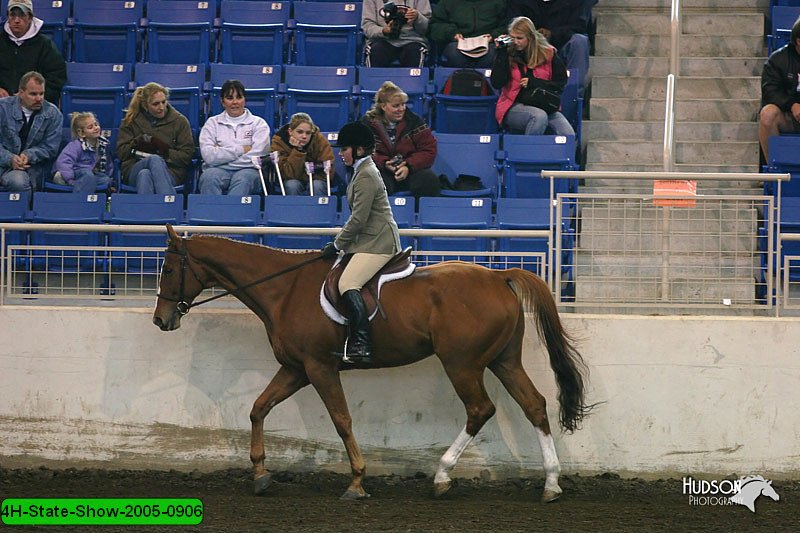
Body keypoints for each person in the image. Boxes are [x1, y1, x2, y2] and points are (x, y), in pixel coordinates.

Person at [319, 121, 401, 365]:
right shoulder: (361, 171)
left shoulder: (366, 175)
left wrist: (337, 244)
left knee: (348, 283)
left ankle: (362, 344)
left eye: (344, 148)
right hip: (368, 240)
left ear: (360, 150)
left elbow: (358, 219)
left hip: (379, 243)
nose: (340, 152)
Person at [490, 16, 574, 136]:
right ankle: (528, 154)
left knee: (568, 135)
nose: (515, 42)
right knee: (538, 117)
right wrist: (501, 54)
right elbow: (497, 83)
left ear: (530, 38)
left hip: (543, 103)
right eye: (512, 38)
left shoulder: (548, 53)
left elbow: (560, 84)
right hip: (513, 106)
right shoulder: (506, 53)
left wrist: (536, 83)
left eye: (520, 38)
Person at [360, 81, 439, 198]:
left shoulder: (415, 121)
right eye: (396, 106)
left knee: (429, 181)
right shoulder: (367, 124)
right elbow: (361, 151)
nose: (401, 109)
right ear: (383, 106)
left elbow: (428, 150)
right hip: (381, 168)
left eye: (403, 104)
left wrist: (408, 166)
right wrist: (384, 163)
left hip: (410, 169)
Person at [116, 82, 195, 194]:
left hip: (170, 171)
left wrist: (164, 151)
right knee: (154, 160)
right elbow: (121, 153)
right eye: (155, 104)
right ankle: (169, 206)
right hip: (134, 166)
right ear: (145, 105)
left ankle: (148, 211)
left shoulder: (180, 121)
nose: (161, 107)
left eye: (164, 102)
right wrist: (137, 142)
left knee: (145, 175)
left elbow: (186, 156)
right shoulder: (130, 121)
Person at [198, 80, 270, 196]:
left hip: (249, 171)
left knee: (242, 179)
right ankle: (210, 214)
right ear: (222, 102)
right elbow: (209, 156)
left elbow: (257, 158)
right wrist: (241, 150)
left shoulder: (259, 124)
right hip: (217, 170)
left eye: (239, 97)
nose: (235, 102)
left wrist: (221, 155)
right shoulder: (212, 123)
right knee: (209, 177)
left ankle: (233, 214)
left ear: (244, 100)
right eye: (230, 98)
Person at [507, 0, 592, 97]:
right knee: (513, 41)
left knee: (580, 41)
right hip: (528, 47)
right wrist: (534, 36)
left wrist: (553, 34)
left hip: (562, 44)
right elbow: (513, 24)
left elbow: (578, 25)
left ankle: (572, 97)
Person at [0, 71, 62, 192]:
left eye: (42, 93)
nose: (39, 98)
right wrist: (9, 158)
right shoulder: (2, 108)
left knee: (18, 182)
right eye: (33, 94)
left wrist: (28, 155)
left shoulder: (53, 114)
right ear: (21, 93)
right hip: (2, 159)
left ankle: (24, 210)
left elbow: (50, 148)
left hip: (27, 167)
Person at [0, 0, 66, 105]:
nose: (16, 20)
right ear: (7, 17)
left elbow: (56, 77)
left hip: (35, 105)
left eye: (22, 15)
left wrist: (34, 95)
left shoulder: (45, 45)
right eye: (12, 15)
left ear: (30, 17)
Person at [760, 16, 800, 161]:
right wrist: (792, 105)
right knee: (768, 114)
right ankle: (773, 170)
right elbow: (770, 91)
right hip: (788, 115)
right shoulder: (778, 60)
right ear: (798, 41)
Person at [428, 0, 508, 68]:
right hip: (457, 42)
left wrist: (494, 35)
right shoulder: (447, 2)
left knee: (493, 55)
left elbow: (506, 25)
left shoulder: (499, 2)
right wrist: (452, 33)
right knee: (454, 55)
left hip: (489, 43)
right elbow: (436, 25)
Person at [270, 112, 334, 196]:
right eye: (300, 132)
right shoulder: (279, 141)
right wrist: (297, 150)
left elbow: (328, 171)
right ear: (290, 131)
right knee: (292, 185)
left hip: (315, 179)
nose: (304, 136)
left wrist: (305, 175)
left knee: (316, 185)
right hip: (291, 179)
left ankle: (317, 209)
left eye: (308, 133)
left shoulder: (320, 140)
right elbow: (286, 174)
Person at [52, 112, 113, 194]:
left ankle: (83, 185)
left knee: (105, 179)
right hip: (72, 173)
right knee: (88, 175)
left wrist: (109, 176)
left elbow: (108, 163)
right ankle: (78, 201)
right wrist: (69, 179)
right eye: (90, 127)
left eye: (96, 124)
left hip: (89, 174)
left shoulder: (103, 144)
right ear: (82, 133)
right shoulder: (75, 145)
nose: (95, 128)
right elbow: (63, 162)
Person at [362, 0, 431, 68]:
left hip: (412, 40)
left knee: (414, 51)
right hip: (382, 39)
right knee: (376, 50)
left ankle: (413, 79)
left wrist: (417, 17)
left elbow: (427, 29)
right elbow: (367, 26)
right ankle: (374, 79)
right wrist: (383, 31)